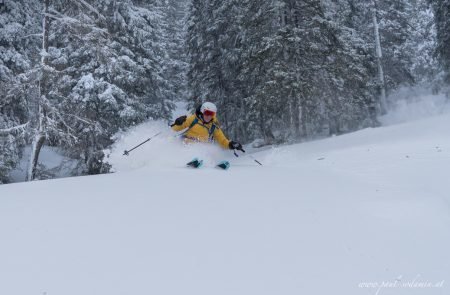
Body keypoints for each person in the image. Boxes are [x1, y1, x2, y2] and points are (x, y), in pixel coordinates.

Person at [171, 102, 244, 152]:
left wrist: (230, 145)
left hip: (202, 148)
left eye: (211, 114)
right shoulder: (193, 119)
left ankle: (204, 161)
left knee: (206, 150)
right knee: (184, 144)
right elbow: (174, 129)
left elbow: (222, 140)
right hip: (187, 144)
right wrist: (178, 123)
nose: (208, 116)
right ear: (202, 112)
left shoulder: (213, 126)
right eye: (207, 113)